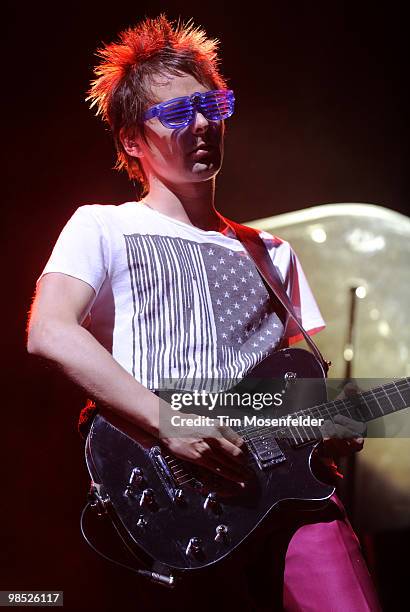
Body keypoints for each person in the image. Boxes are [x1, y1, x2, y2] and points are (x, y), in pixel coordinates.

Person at [27, 15, 382, 611]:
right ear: (131, 142)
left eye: (213, 106)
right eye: (174, 114)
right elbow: (49, 331)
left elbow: (286, 390)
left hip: (289, 500)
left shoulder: (270, 253)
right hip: (172, 498)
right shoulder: (104, 225)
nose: (201, 125)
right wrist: (171, 423)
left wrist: (326, 427)